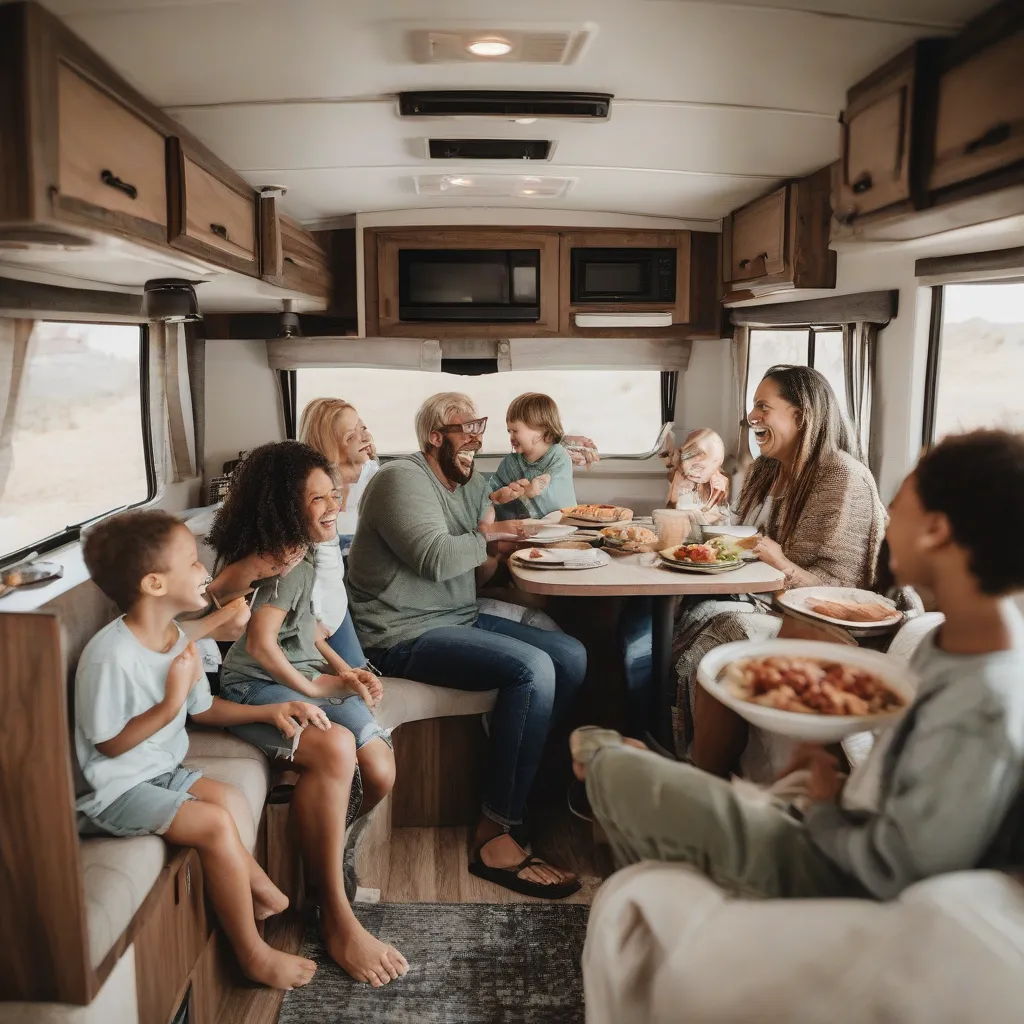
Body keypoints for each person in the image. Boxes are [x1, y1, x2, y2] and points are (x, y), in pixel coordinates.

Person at [576, 428, 1024, 902]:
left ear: (936, 531)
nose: (885, 522)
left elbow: (893, 871)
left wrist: (823, 811)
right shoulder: (952, 643)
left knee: (598, 755)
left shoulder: (985, 704)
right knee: (617, 761)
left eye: (898, 508)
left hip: (837, 870)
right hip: (843, 824)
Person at [347, 392, 588, 899]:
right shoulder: (401, 480)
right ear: (436, 436)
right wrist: (499, 534)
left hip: (456, 616)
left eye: (481, 428)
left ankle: (524, 794)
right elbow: (435, 558)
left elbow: (478, 570)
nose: (478, 438)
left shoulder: (473, 484)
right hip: (399, 632)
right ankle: (493, 833)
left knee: (570, 655)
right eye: (467, 427)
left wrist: (497, 542)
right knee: (533, 669)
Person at [75, 510, 327, 990]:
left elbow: (204, 710)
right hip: (113, 790)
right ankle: (252, 951)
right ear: (153, 583)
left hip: (157, 770)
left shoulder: (173, 638)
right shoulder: (109, 657)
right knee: (213, 823)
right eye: (191, 562)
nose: (204, 572)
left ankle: (250, 889)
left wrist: (267, 711)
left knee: (231, 800)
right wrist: (172, 699)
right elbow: (108, 744)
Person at [207, 441, 408, 987]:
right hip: (261, 684)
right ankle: (335, 913)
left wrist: (346, 671)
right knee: (338, 748)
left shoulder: (301, 552)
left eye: (332, 495)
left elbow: (311, 630)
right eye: (315, 498)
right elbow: (263, 640)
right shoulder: (271, 558)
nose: (330, 507)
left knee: (382, 771)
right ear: (281, 505)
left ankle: (325, 872)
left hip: (307, 674)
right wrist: (314, 690)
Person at [675, 365, 886, 776]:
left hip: (814, 623)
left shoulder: (841, 478)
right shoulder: (768, 469)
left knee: (725, 628)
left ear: (801, 414)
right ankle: (670, 744)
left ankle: (700, 772)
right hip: (757, 597)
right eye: (752, 406)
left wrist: (780, 563)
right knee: (661, 617)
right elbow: (745, 530)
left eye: (762, 407)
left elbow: (842, 592)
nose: (751, 416)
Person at [617, 428, 734, 739]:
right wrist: (675, 493)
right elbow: (670, 531)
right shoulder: (683, 482)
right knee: (630, 628)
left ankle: (654, 731)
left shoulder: (720, 490)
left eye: (701, 460)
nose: (692, 466)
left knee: (639, 646)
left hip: (697, 588)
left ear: (717, 463)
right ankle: (640, 724)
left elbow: (716, 541)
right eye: (688, 456)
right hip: (668, 578)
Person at [488, 392, 577, 521]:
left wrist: (533, 489)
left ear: (541, 430)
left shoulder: (558, 456)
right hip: (524, 532)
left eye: (515, 431)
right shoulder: (511, 463)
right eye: (509, 431)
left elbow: (559, 494)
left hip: (562, 528)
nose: (511, 437)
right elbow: (490, 494)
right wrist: (499, 496)